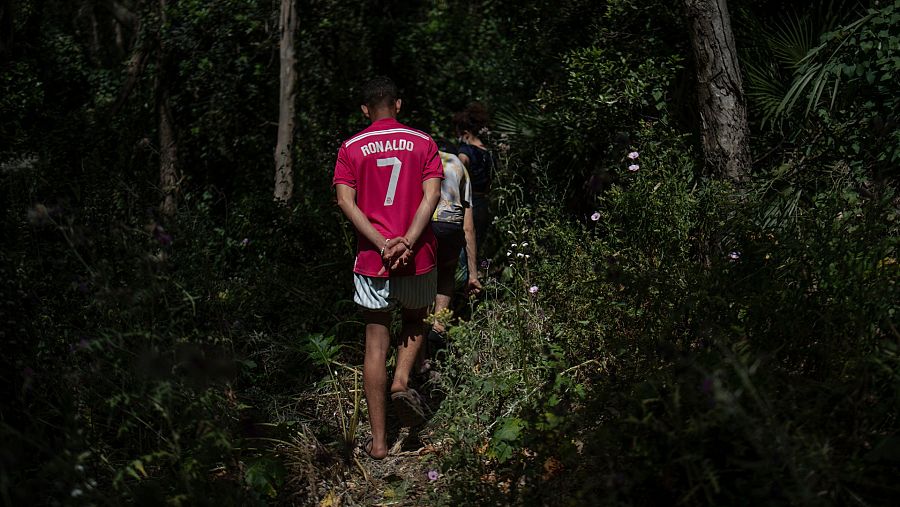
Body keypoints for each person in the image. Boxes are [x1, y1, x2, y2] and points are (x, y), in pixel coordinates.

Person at [332, 76, 443, 460]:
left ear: (365, 109)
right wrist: (408, 241)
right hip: (418, 257)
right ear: (398, 104)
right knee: (414, 320)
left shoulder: (351, 148)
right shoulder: (423, 142)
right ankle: (401, 381)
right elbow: (432, 195)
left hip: (372, 261)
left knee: (375, 343)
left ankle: (379, 443)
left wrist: (382, 244)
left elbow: (345, 202)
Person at [425, 139, 482, 357]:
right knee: (446, 272)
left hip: (425, 223)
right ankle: (438, 327)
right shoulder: (458, 165)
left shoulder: (422, 158)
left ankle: (420, 325)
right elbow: (468, 228)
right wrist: (473, 275)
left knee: (422, 274)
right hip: (450, 224)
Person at [452, 102, 496, 276]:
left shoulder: (465, 151)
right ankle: (480, 275)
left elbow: (458, 175)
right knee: (479, 244)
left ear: (465, 133)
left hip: (468, 203)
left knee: (465, 246)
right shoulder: (488, 152)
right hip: (484, 202)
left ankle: (465, 280)